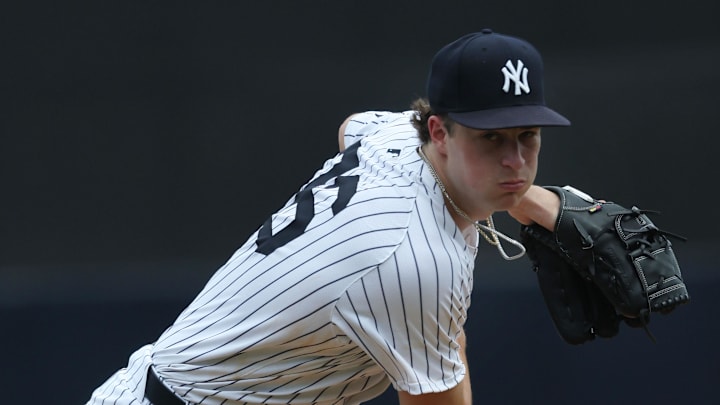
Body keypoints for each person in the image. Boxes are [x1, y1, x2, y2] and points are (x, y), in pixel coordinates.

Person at [87, 28, 570, 405]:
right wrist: (439, 330)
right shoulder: (414, 261)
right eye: (491, 137)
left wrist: (542, 207)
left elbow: (352, 127)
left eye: (527, 134)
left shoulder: (396, 140)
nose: (515, 159)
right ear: (440, 133)